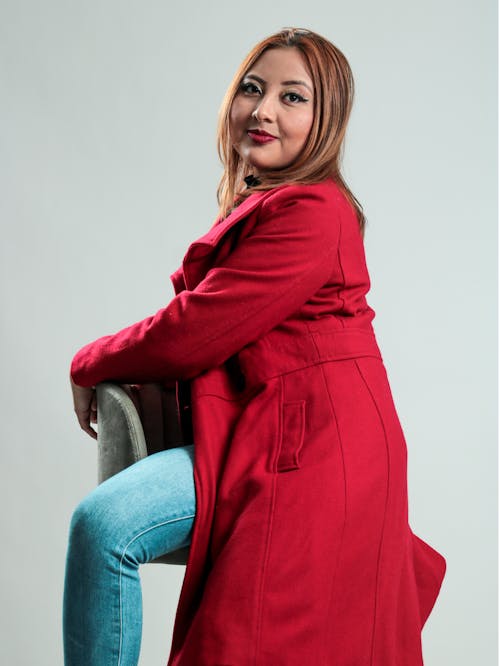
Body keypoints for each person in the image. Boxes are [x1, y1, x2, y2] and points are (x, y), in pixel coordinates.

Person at [63, 27, 447, 666]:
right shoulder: (270, 204)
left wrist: (90, 360)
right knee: (105, 527)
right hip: (261, 427)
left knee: (120, 538)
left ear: (326, 122)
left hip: (319, 446)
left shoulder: (316, 212)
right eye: (252, 88)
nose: (264, 109)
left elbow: (195, 330)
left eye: (293, 98)